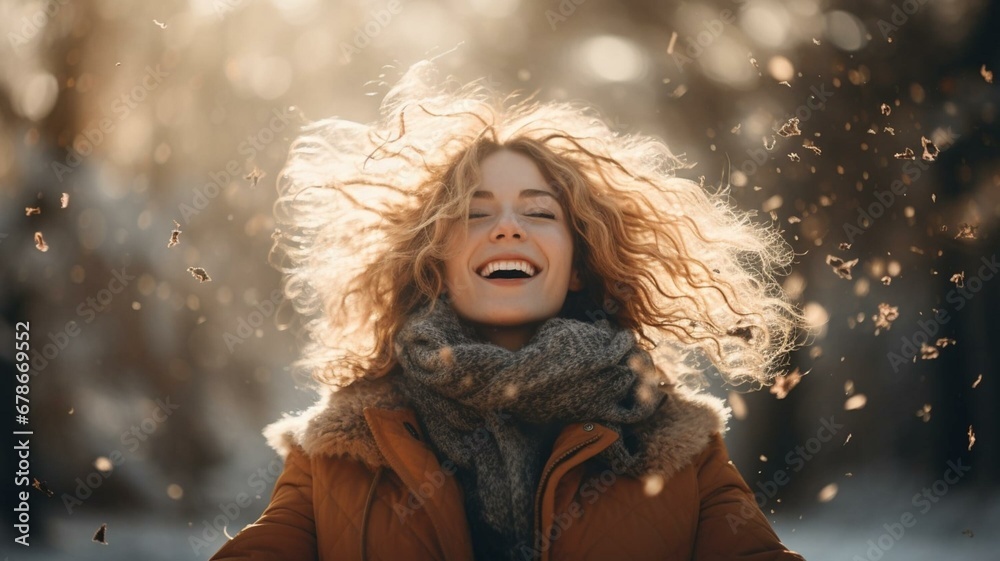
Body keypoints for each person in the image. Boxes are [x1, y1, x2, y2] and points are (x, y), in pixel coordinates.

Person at [209, 60, 807, 561]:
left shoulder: (676, 445)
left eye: (539, 212)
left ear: (579, 263)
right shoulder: (345, 442)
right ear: (435, 263)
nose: (506, 228)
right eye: (475, 212)